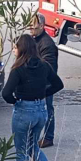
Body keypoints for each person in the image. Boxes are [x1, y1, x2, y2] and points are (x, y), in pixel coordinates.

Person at [2, 34, 64, 161]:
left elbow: (6, 93)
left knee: (21, 151)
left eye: (15, 47)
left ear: (21, 49)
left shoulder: (18, 69)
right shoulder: (44, 66)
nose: (13, 50)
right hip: (41, 111)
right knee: (33, 147)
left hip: (24, 111)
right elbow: (58, 84)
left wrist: (16, 102)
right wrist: (42, 94)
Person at [29, 12, 59, 149]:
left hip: (46, 83)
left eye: (34, 28)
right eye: (29, 27)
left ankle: (48, 137)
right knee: (42, 109)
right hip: (39, 82)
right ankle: (42, 135)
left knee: (47, 109)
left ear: (41, 25)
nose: (31, 30)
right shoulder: (35, 39)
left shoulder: (46, 44)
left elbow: (48, 67)